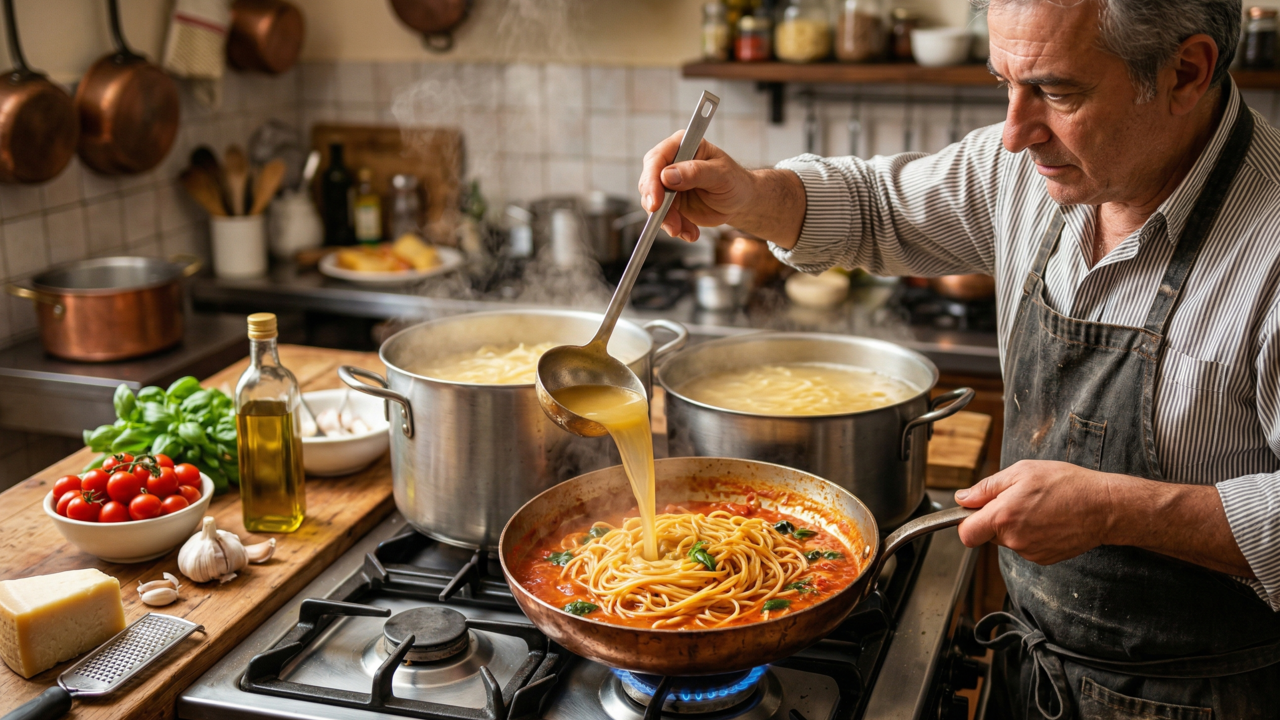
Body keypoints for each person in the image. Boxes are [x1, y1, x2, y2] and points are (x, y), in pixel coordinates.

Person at [639, 0, 1280, 717]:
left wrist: (1116, 511)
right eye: (1004, 82)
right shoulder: (1031, 172)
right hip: (1033, 669)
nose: (1013, 133)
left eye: (1058, 92)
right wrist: (754, 197)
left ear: (1185, 72)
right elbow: (878, 206)